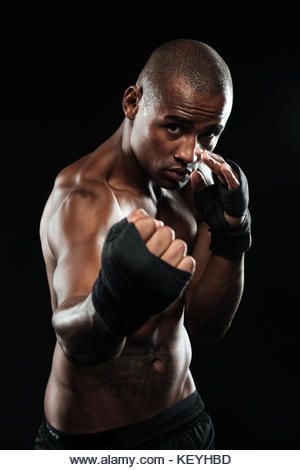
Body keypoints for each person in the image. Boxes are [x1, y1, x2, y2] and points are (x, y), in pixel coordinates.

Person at [34, 38, 251, 450]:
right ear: (133, 103)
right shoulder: (84, 198)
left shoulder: (193, 184)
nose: (190, 153)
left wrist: (231, 235)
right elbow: (75, 341)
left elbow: (208, 325)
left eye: (209, 135)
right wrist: (113, 300)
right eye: (175, 127)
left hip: (183, 417)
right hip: (95, 442)